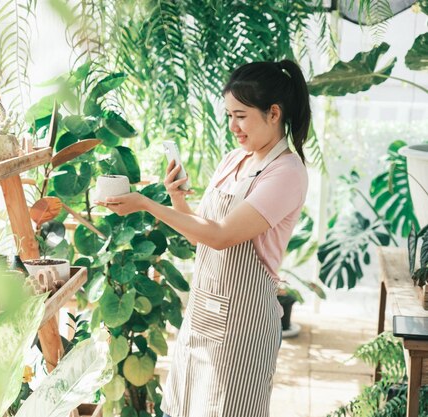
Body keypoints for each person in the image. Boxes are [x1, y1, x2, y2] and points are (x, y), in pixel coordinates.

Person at [98, 60, 310, 417]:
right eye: (229, 115)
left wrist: (147, 205)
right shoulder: (233, 160)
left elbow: (223, 237)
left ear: (274, 113)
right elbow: (205, 232)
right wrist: (178, 198)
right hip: (203, 314)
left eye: (241, 116)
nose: (233, 127)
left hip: (244, 325)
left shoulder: (286, 172)